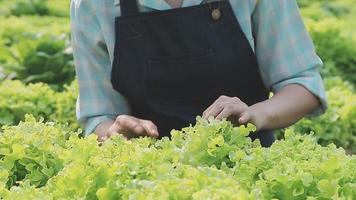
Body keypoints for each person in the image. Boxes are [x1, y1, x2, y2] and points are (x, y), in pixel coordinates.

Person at [70, 0, 327, 147]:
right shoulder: (94, 4)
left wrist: (255, 113)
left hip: (251, 171)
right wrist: (116, 134)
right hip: (147, 182)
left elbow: (302, 83)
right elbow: (99, 117)